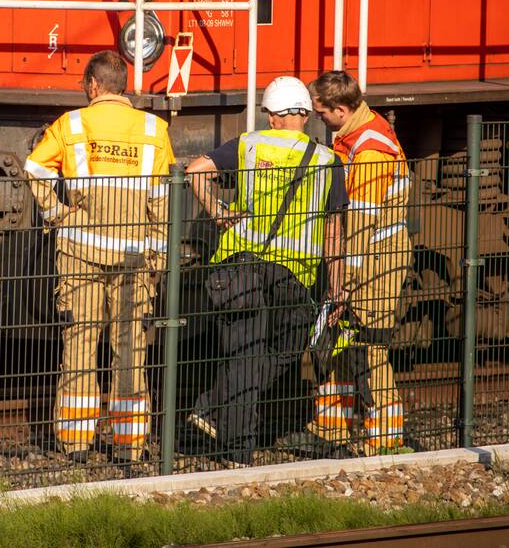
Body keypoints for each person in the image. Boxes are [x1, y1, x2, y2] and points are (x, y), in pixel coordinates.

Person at [184, 76, 346, 466]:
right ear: (306, 115)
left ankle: (215, 414)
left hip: (238, 267)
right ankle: (233, 445)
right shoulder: (328, 160)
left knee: (245, 356)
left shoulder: (249, 144)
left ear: (273, 117)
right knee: (287, 348)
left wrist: (218, 212)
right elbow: (333, 231)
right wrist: (338, 288)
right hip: (293, 276)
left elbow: (195, 170)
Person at [24, 50, 175, 464]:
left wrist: (57, 214)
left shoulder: (71, 125)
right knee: (129, 349)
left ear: (93, 85)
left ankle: (75, 444)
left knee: (81, 342)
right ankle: (129, 446)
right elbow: (162, 198)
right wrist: (158, 256)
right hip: (133, 259)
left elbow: (34, 170)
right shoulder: (154, 129)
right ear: (122, 85)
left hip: (80, 254)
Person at [306, 70, 413, 455]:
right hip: (366, 255)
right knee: (344, 340)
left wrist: (344, 283)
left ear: (340, 108)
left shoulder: (368, 150)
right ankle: (332, 429)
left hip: (375, 260)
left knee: (369, 345)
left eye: (321, 112)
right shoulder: (354, 134)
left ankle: (384, 439)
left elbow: (361, 225)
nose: (317, 117)